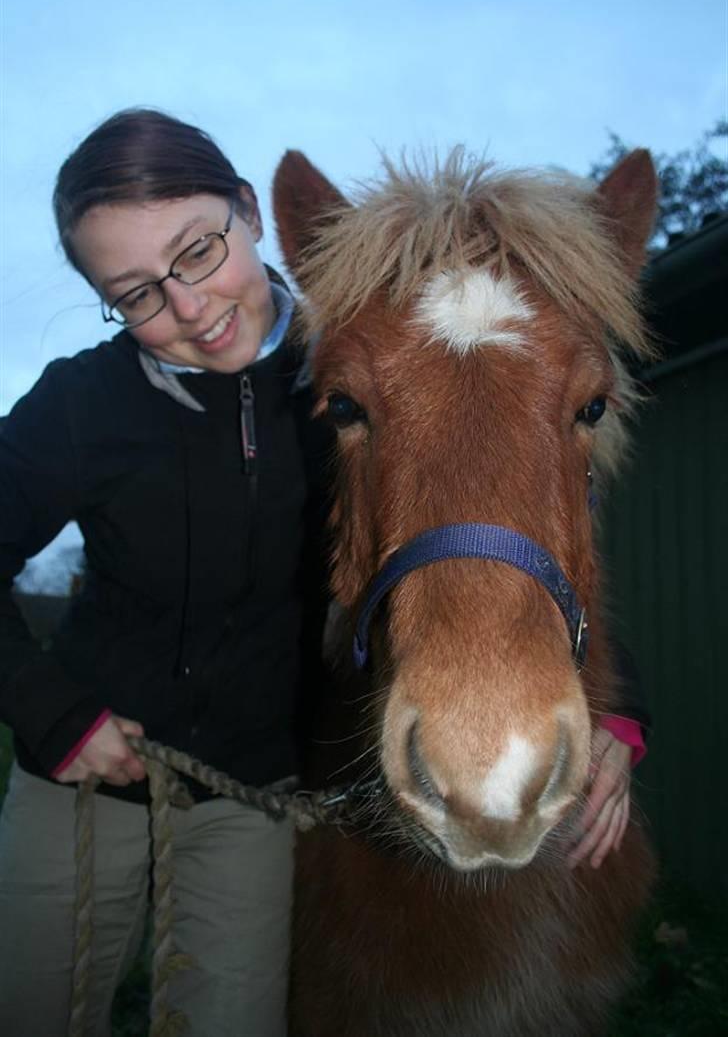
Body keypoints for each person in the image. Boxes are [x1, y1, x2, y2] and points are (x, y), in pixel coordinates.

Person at [0, 109, 647, 1037]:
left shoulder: (367, 348)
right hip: (86, 770)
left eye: (197, 250)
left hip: (254, 792)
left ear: (253, 216)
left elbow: (522, 518)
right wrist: (52, 712)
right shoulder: (80, 405)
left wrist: (625, 709)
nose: (187, 306)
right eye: (135, 292)